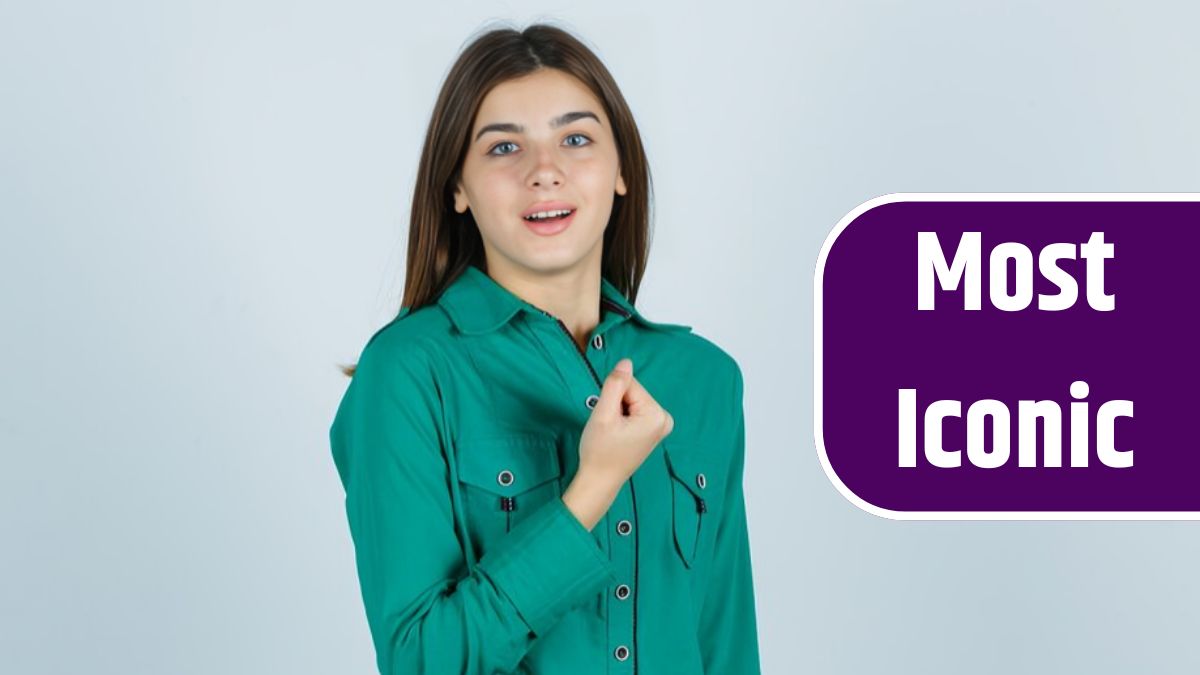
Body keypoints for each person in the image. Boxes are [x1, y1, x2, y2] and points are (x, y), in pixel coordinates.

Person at [329, 21, 761, 674]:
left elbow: (726, 642)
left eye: (577, 138)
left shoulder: (704, 379)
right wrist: (594, 484)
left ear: (621, 171)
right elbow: (422, 660)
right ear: (458, 187)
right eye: (504, 148)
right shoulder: (409, 374)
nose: (545, 171)